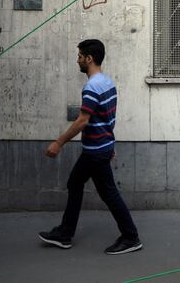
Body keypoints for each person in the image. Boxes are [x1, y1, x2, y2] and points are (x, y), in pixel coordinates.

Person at [38, 39, 142, 254]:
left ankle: (131, 237)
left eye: (79, 56)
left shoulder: (92, 86)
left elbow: (83, 120)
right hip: (100, 147)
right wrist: (109, 144)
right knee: (76, 183)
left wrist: (59, 143)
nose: (77, 60)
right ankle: (65, 233)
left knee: (108, 193)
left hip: (95, 151)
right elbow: (108, 117)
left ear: (89, 58)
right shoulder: (107, 82)